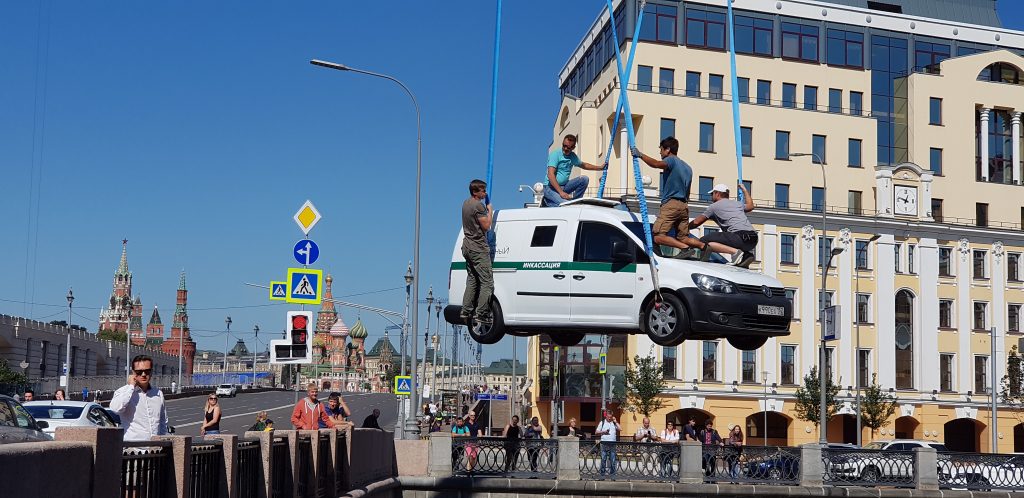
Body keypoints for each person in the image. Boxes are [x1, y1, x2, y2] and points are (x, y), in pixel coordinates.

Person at [631, 138, 701, 258]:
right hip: (684, 205)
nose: (660, 153)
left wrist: (640, 155)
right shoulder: (688, 168)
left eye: (661, 150)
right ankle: (704, 247)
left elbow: (657, 164)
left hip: (671, 204)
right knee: (683, 238)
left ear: (668, 150)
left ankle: (685, 249)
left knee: (658, 236)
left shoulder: (671, 160)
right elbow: (688, 190)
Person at [688, 183, 758, 268]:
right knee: (726, 239)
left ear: (717, 193)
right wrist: (744, 190)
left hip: (739, 237)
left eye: (712, 194)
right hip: (753, 239)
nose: (711, 196)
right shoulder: (737, 204)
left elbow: (696, 222)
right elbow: (751, 206)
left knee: (702, 241)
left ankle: (735, 252)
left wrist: (684, 227)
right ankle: (747, 255)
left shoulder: (713, 207)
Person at [460, 179, 495, 328]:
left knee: (473, 279)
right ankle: (481, 313)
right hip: (478, 248)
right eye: (482, 190)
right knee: (487, 282)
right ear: (475, 192)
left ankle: (466, 310)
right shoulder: (477, 206)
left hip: (467, 246)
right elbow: (486, 226)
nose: (485, 193)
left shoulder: (465, 203)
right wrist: (490, 211)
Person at [110, 354, 168, 441]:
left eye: (147, 371)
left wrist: (163, 444)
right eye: (139, 372)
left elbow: (163, 422)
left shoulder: (158, 394)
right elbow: (116, 409)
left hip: (155, 449)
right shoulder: (123, 392)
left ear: (151, 372)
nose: (143, 374)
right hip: (133, 449)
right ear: (133, 373)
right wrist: (131, 387)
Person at [543, 134, 605, 206]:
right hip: (550, 188)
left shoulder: (572, 156)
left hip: (564, 186)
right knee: (565, 204)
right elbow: (550, 175)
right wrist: (561, 193)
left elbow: (584, 165)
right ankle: (546, 201)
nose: (565, 149)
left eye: (568, 147)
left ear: (573, 147)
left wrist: (600, 168)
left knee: (584, 179)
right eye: (564, 146)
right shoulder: (555, 155)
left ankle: (576, 202)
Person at [595, 410, 620, 477]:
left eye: (610, 417)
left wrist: (615, 421)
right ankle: (602, 475)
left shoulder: (613, 423)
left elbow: (620, 429)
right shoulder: (602, 422)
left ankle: (612, 475)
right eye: (608, 417)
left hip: (612, 443)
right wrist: (604, 432)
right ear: (606, 416)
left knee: (613, 459)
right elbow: (596, 432)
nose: (609, 418)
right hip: (604, 443)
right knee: (603, 459)